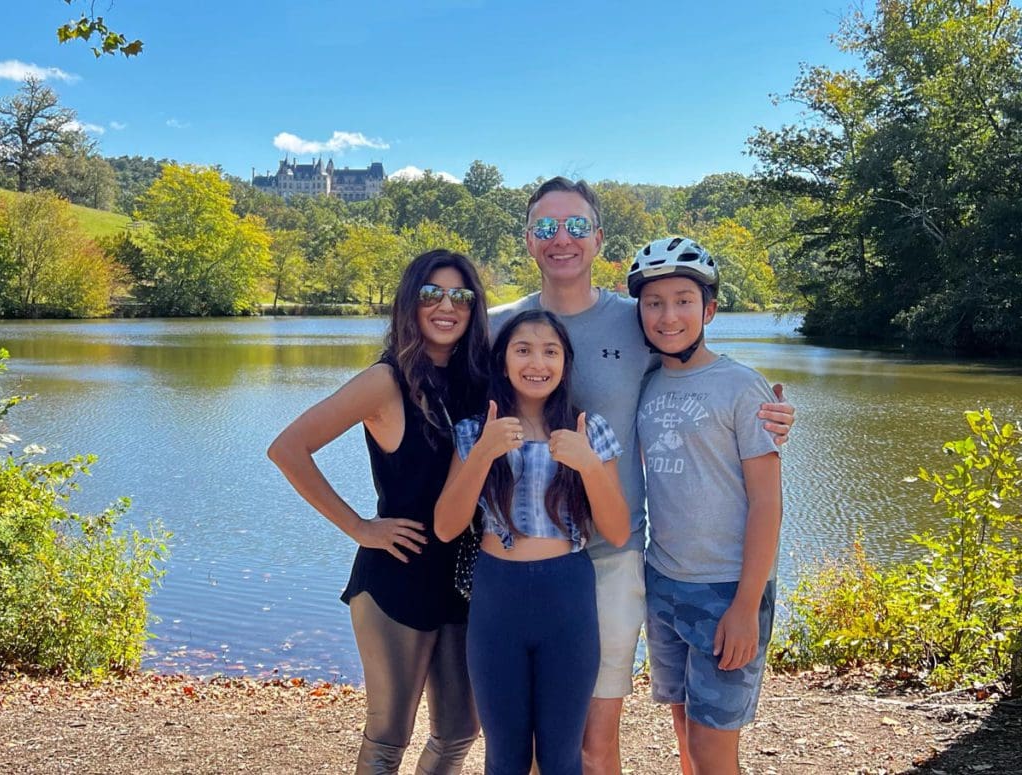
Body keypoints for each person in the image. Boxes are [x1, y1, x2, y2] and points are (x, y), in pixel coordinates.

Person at [487, 177, 795, 775]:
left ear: (598, 237)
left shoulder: (638, 319)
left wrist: (773, 416)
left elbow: (707, 375)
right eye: (545, 227)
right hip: (525, 563)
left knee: (594, 747)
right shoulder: (501, 325)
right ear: (527, 240)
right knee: (525, 749)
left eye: (576, 226)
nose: (562, 240)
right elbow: (434, 387)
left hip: (613, 556)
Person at [267, 249, 488, 774]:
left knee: (459, 731)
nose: (446, 306)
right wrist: (359, 527)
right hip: (396, 577)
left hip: (462, 580)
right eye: (431, 294)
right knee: (389, 735)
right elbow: (288, 448)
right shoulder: (385, 381)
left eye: (461, 296)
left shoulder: (476, 382)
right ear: (409, 303)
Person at [434, 309, 630, 775]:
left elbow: (619, 530)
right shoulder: (472, 430)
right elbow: (445, 526)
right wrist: (483, 452)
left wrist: (586, 464)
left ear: (565, 363)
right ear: (503, 361)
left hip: (567, 596)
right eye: (523, 350)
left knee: (563, 757)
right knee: (505, 757)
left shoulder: (589, 430)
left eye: (550, 351)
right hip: (497, 596)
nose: (536, 362)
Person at [628, 236, 782, 775]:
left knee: (716, 751)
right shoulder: (644, 384)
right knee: (685, 733)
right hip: (664, 581)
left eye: (683, 300)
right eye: (654, 302)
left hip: (727, 589)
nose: (668, 315)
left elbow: (767, 503)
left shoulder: (741, 386)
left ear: (709, 309)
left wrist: (745, 607)